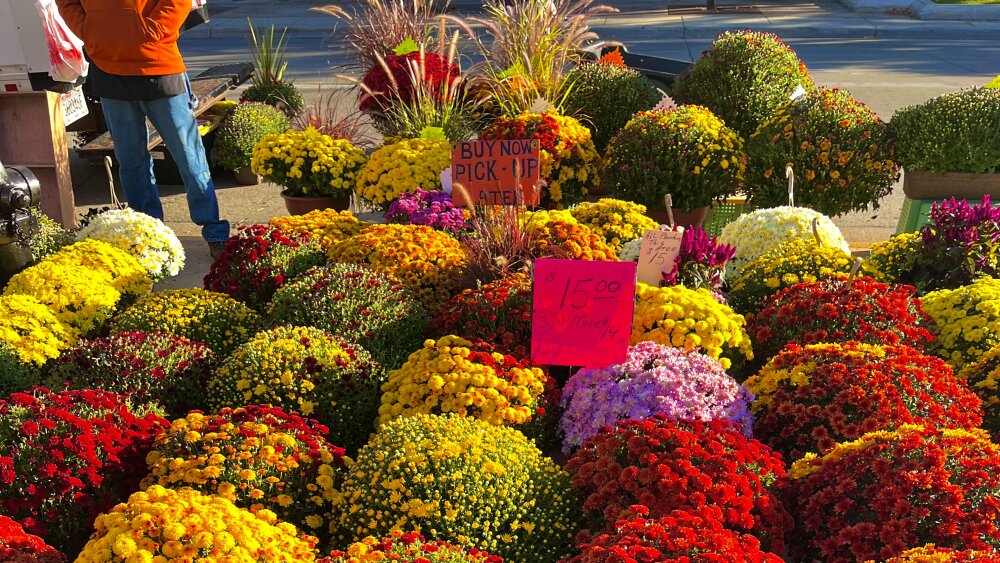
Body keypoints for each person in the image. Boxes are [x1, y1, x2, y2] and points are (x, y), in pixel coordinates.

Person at [55, 0, 230, 257]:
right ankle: (149, 233)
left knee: (188, 155)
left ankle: (214, 231)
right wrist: (89, 31)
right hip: (108, 67)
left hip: (157, 64)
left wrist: (153, 30)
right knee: (130, 161)